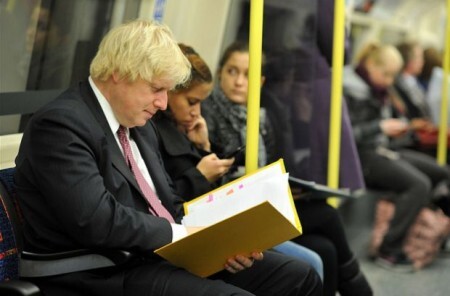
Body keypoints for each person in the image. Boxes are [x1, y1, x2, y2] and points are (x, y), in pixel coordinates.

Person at [14, 20, 322, 296]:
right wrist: (180, 234)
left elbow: (167, 203)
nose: (163, 104)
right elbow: (95, 220)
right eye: (156, 89)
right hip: (102, 270)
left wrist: (221, 243)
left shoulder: (139, 126)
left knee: (298, 276)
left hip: (157, 254)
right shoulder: (61, 126)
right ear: (119, 73)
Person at [202, 40, 372, 296]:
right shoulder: (207, 115)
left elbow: (270, 164)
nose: (238, 81)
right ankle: (359, 289)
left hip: (261, 202)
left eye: (248, 75)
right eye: (232, 71)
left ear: (260, 82)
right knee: (327, 216)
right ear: (220, 73)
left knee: (325, 248)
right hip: (236, 211)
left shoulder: (263, 117)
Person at [153, 43, 324, 279]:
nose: (197, 112)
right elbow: (168, 202)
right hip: (194, 232)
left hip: (221, 220)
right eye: (192, 102)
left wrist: (204, 148)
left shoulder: (194, 128)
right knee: (305, 267)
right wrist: (201, 174)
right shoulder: (160, 132)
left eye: (248, 75)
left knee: (317, 253)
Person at [342, 42, 450, 272]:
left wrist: (399, 129)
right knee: (419, 185)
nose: (390, 81)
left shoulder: (377, 88)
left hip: (383, 148)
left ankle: (435, 231)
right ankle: (389, 248)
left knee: (441, 172)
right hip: (360, 155)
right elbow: (346, 135)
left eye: (394, 76)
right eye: (387, 74)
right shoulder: (348, 90)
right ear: (370, 65)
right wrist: (381, 127)